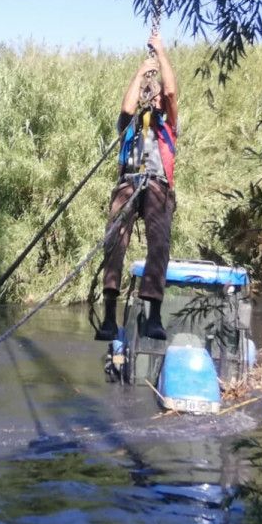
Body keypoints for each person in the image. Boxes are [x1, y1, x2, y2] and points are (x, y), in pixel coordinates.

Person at [95, 33, 178, 342]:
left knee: (160, 242)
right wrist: (142, 71)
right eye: (148, 94)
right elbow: (127, 107)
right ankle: (108, 317)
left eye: (154, 96)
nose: (151, 98)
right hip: (129, 182)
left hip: (157, 184)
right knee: (114, 240)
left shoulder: (168, 125)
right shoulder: (128, 126)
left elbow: (170, 91)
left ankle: (153, 315)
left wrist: (161, 53)